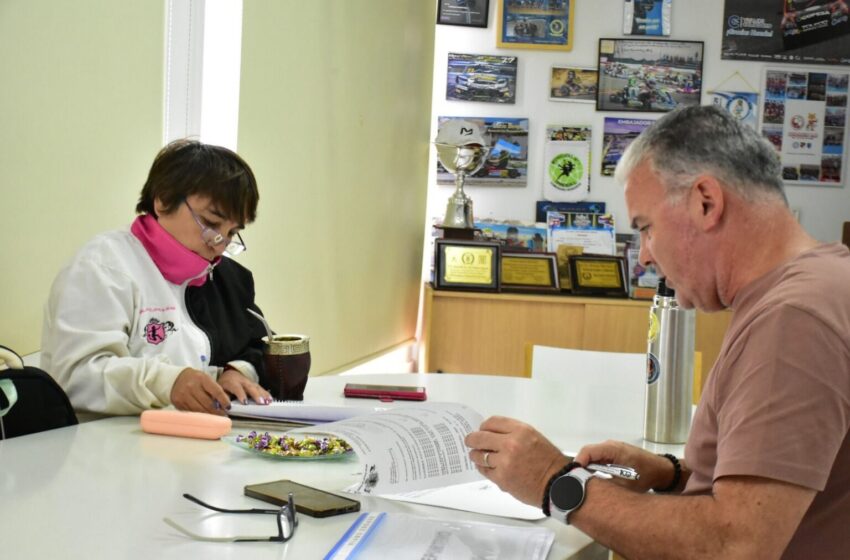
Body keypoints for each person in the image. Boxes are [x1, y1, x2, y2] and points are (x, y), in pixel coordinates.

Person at [465, 106, 850, 558]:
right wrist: (671, 474)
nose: (644, 256)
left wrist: (554, 481)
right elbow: (787, 494)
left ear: (706, 202)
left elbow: (736, 543)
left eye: (646, 229)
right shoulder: (825, 278)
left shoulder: (793, 319)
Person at [41, 139, 273, 419]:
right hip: (107, 448)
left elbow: (258, 344)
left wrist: (236, 372)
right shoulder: (103, 267)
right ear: (162, 200)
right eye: (211, 223)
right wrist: (167, 382)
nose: (219, 243)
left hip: (192, 444)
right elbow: (77, 377)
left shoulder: (228, 278)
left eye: (232, 232)